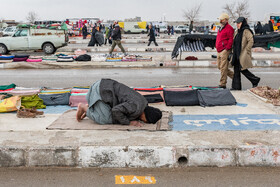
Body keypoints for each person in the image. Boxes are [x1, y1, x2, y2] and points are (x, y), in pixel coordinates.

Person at [76, 79, 163, 126]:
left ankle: (94, 106)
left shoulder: (143, 103)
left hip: (104, 87)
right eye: (146, 121)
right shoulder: (135, 107)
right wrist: (129, 122)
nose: (144, 122)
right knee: (106, 119)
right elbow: (116, 111)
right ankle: (84, 107)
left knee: (110, 114)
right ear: (145, 115)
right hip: (100, 91)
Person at [231, 17, 261, 90]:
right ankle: (236, 87)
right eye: (237, 23)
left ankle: (255, 79)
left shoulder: (246, 31)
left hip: (242, 53)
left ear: (243, 23)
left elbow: (251, 40)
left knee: (242, 69)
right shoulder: (237, 31)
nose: (237, 25)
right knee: (236, 70)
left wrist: (247, 50)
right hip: (236, 53)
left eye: (239, 23)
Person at [215, 13, 234, 89]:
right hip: (219, 50)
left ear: (226, 20)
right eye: (220, 19)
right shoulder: (220, 28)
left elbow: (230, 39)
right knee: (220, 67)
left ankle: (222, 83)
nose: (220, 21)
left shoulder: (229, 28)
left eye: (222, 19)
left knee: (223, 67)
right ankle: (235, 77)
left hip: (224, 50)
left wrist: (227, 48)